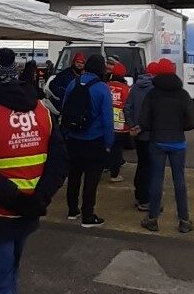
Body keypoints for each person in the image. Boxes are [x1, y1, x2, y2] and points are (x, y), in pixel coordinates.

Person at [0, 48, 69, 294]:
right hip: (28, 210)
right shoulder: (42, 112)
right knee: (10, 272)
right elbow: (60, 161)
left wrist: (14, 199)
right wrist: (39, 197)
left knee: (0, 283)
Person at [138, 58, 194, 233]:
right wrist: (180, 127)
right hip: (178, 143)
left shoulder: (152, 94)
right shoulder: (183, 94)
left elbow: (144, 121)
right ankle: (184, 220)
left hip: (157, 141)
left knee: (156, 180)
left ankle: (153, 218)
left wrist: (155, 127)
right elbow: (192, 122)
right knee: (179, 181)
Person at [61, 54, 114, 227]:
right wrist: (108, 143)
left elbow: (65, 109)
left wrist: (67, 133)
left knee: (74, 175)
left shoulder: (73, 83)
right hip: (94, 140)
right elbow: (108, 119)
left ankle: (72, 210)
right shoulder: (102, 88)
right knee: (91, 179)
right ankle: (88, 214)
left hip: (73, 138)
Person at [124, 61, 157, 211]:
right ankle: (145, 199)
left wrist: (132, 125)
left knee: (142, 165)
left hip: (137, 134)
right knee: (149, 168)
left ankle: (139, 195)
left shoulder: (135, 87)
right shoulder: (155, 90)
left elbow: (127, 107)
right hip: (150, 134)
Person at [106, 63, 131, 182]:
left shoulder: (106, 86)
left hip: (107, 123)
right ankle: (114, 174)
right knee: (117, 149)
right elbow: (128, 106)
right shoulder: (126, 89)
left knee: (107, 147)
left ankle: (106, 167)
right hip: (121, 126)